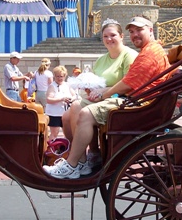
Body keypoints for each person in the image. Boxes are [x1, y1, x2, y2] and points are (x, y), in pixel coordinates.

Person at [44, 16, 169, 179]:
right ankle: (81, 159)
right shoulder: (149, 51)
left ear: (150, 30)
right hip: (137, 100)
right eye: (132, 31)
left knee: (85, 114)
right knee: (73, 111)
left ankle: (74, 163)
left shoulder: (147, 54)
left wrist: (104, 93)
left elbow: (128, 84)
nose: (135, 34)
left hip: (138, 104)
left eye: (139, 30)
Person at [62, 19, 137, 162]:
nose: (109, 39)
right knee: (66, 118)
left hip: (119, 98)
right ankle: (87, 153)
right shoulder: (101, 60)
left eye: (113, 35)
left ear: (121, 36)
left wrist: (103, 91)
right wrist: (88, 87)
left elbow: (128, 84)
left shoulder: (129, 55)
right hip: (100, 98)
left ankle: (80, 159)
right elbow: (95, 84)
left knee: (77, 107)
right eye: (105, 36)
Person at [45, 65, 77, 140]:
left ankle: (67, 149)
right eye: (57, 76)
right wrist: (61, 99)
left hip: (66, 113)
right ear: (54, 76)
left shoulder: (67, 85)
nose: (60, 78)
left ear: (65, 76)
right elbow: (48, 99)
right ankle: (52, 149)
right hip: (54, 114)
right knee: (54, 133)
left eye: (61, 76)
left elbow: (74, 95)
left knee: (68, 133)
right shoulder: (52, 86)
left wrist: (71, 99)